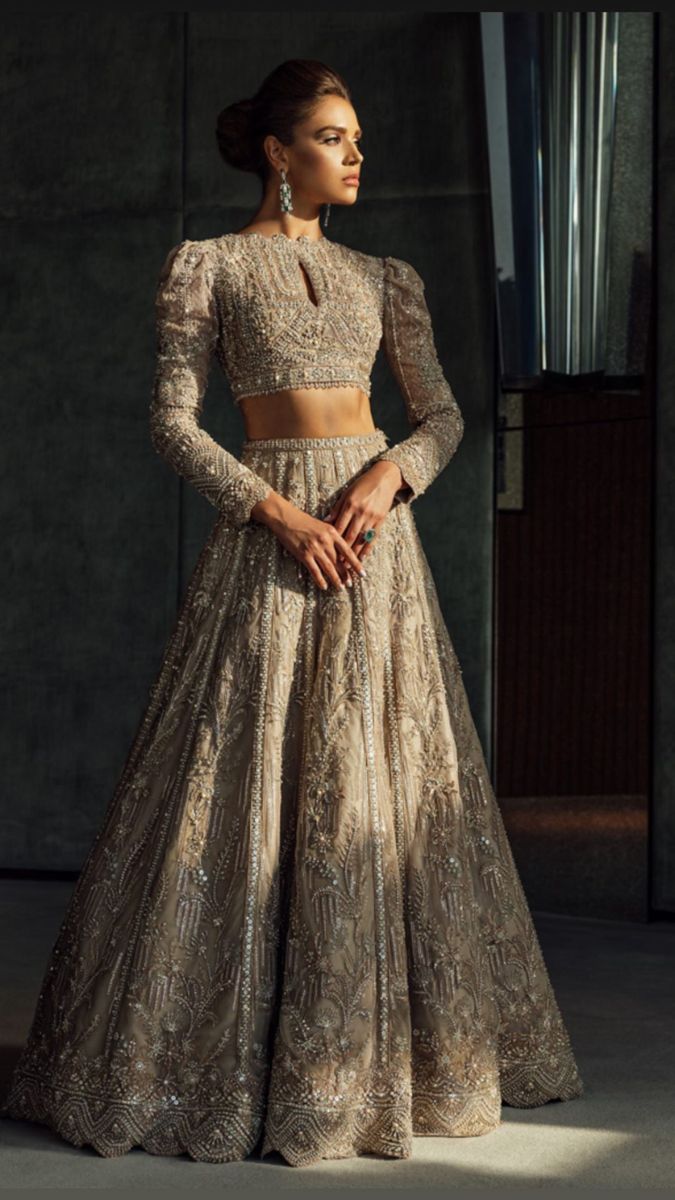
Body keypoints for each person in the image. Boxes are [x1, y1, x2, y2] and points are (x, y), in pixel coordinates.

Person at [1, 58, 583, 1168]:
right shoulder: (207, 266)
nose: (355, 153)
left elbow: (447, 414)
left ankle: (374, 1074)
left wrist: (388, 476)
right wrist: (281, 514)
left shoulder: (385, 278)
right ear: (278, 153)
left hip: (374, 547)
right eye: (331, 135)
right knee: (245, 783)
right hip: (275, 546)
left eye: (357, 136)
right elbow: (175, 425)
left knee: (379, 784)